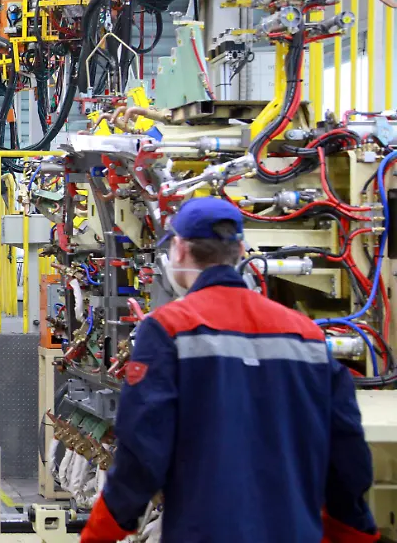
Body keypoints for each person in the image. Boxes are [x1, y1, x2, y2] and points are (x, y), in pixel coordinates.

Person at [81, 196, 378, 543]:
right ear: (239, 250)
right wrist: (351, 529)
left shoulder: (169, 329)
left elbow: (143, 448)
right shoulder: (306, 335)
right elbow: (346, 447)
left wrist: (101, 531)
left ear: (179, 249)